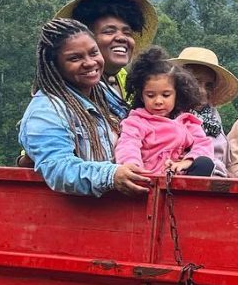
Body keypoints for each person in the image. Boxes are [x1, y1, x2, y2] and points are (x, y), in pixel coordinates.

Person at [18, 18, 152, 196]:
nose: (90, 63)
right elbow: (59, 169)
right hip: (77, 218)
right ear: (55, 65)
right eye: (75, 58)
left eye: (93, 52)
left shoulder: (103, 94)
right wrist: (111, 175)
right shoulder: (46, 111)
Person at [57, 0, 159, 117]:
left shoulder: (126, 79)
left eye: (127, 33)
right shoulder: (72, 90)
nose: (121, 37)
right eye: (109, 31)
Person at [114, 47, 215, 177]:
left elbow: (204, 144)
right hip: (147, 181)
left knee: (204, 163)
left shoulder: (186, 121)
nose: (158, 101)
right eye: (150, 95)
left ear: (177, 94)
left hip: (179, 181)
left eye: (166, 95)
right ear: (141, 96)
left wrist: (187, 161)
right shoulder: (136, 121)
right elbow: (128, 144)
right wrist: (133, 166)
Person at [172, 47, 238, 178]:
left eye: (208, 85)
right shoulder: (170, 114)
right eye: (196, 81)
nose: (202, 91)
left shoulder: (213, 117)